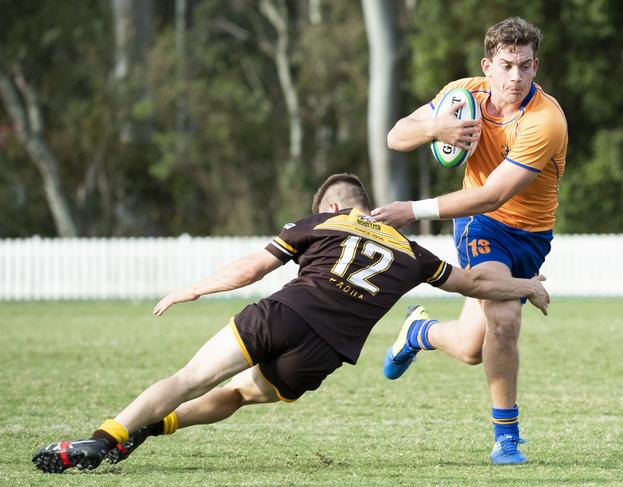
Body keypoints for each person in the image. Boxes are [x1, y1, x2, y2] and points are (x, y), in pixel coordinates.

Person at [32, 173, 549, 474]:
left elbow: (254, 267)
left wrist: (195, 288)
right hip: (323, 353)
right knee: (236, 396)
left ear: (332, 206)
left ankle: (105, 437)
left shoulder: (322, 222)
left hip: (283, 315)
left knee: (191, 378)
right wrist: (528, 286)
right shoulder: (413, 254)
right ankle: (156, 426)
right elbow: (477, 286)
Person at [374, 17, 567, 464]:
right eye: (505, 65)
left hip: (531, 236)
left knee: (469, 348)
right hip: (480, 225)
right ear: (488, 65)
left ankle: (417, 332)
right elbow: (396, 134)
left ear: (535, 66)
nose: (515, 77)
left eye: (524, 66)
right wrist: (434, 129)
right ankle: (507, 437)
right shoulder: (464, 96)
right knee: (504, 321)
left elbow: (497, 190)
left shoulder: (545, 120)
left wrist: (413, 209)